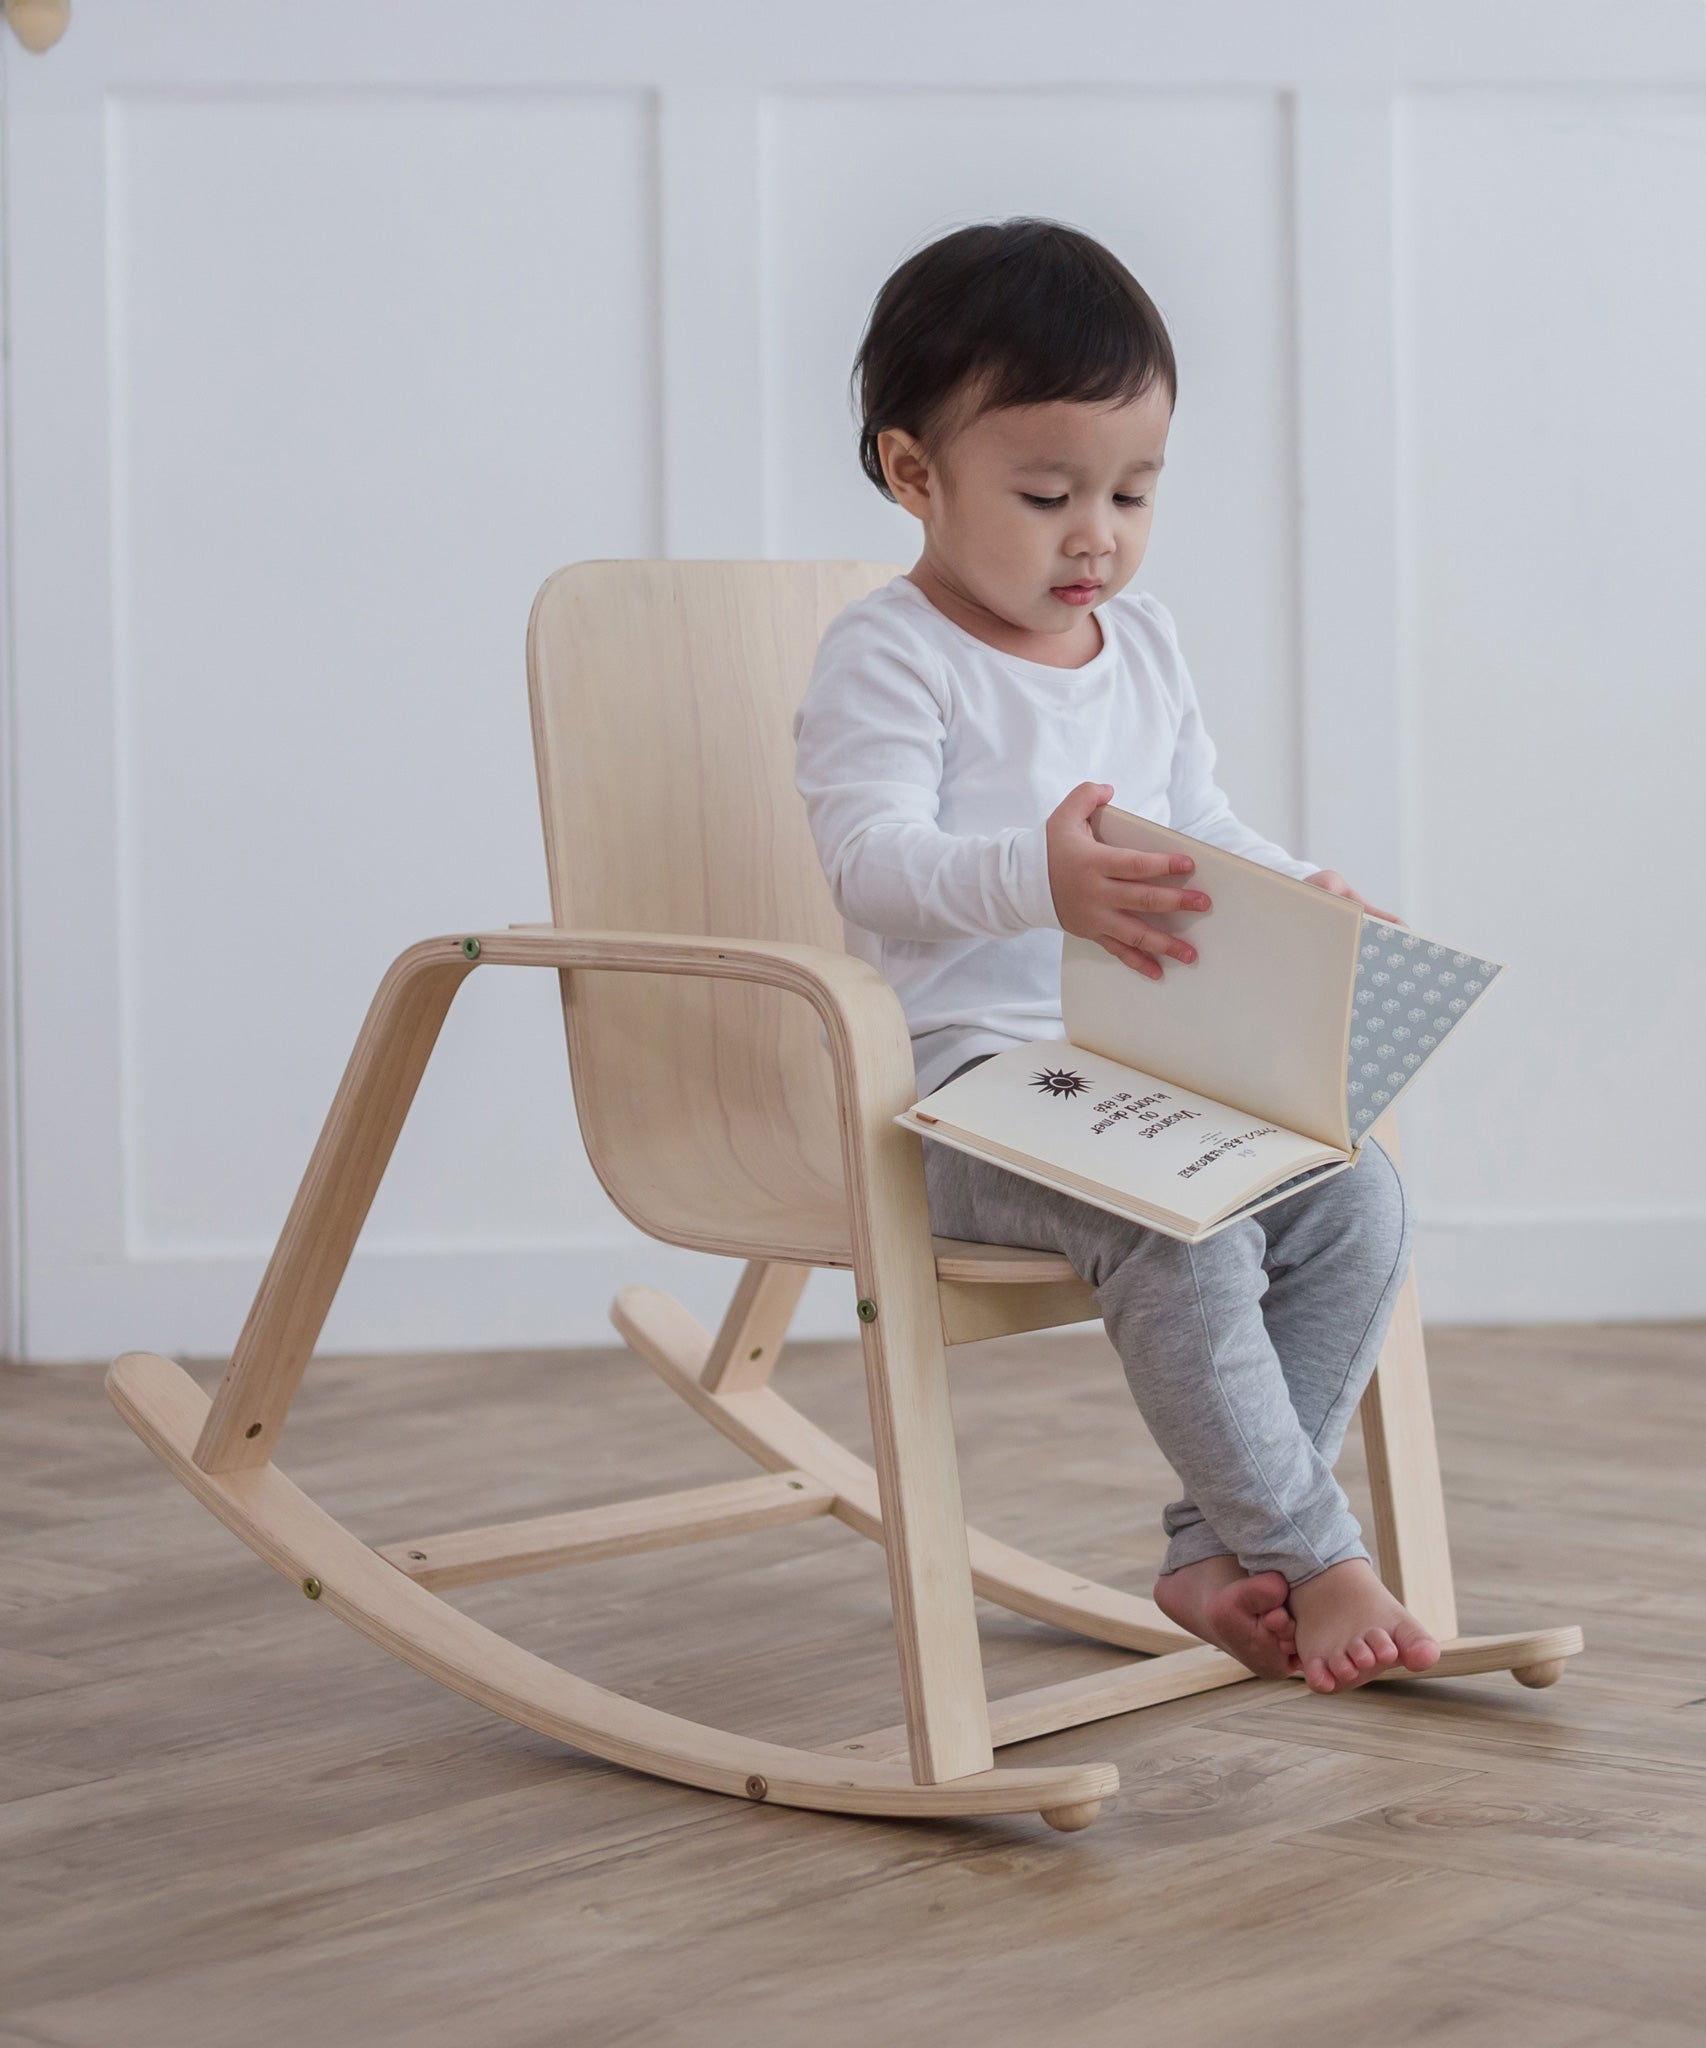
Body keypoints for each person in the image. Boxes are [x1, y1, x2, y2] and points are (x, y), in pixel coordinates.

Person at [792, 218, 1442, 1694]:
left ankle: (1209, 1542)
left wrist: (1301, 897)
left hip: (1138, 1071)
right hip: (953, 1093)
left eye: (1133, 491)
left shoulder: (1138, 646)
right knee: (1180, 1222)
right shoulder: (887, 656)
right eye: (1045, 494)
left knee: (1359, 1204)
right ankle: (1311, 1551)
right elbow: (866, 861)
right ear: (913, 474)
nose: (1097, 532)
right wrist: (1042, 879)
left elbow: (1197, 825)